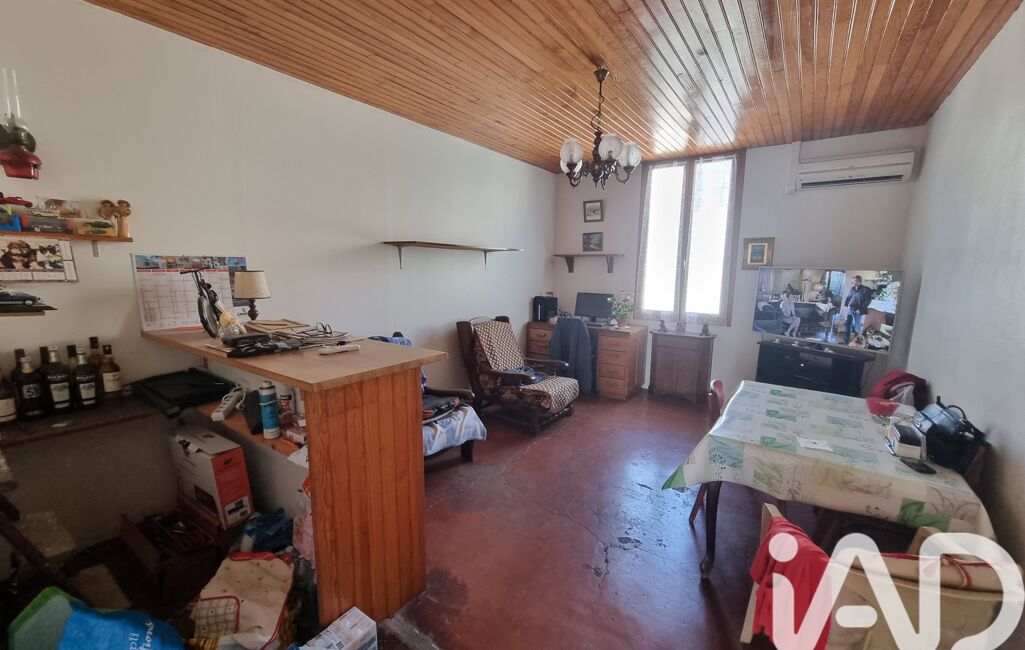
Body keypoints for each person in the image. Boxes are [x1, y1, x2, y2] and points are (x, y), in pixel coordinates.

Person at [843, 275, 874, 343]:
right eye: (852, 281)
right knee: (848, 324)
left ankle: (857, 342)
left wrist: (860, 309)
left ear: (858, 281)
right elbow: (848, 297)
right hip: (850, 309)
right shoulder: (852, 289)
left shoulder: (866, 289)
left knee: (857, 326)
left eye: (853, 281)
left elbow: (867, 301)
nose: (852, 283)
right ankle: (846, 341)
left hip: (858, 310)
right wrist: (845, 305)